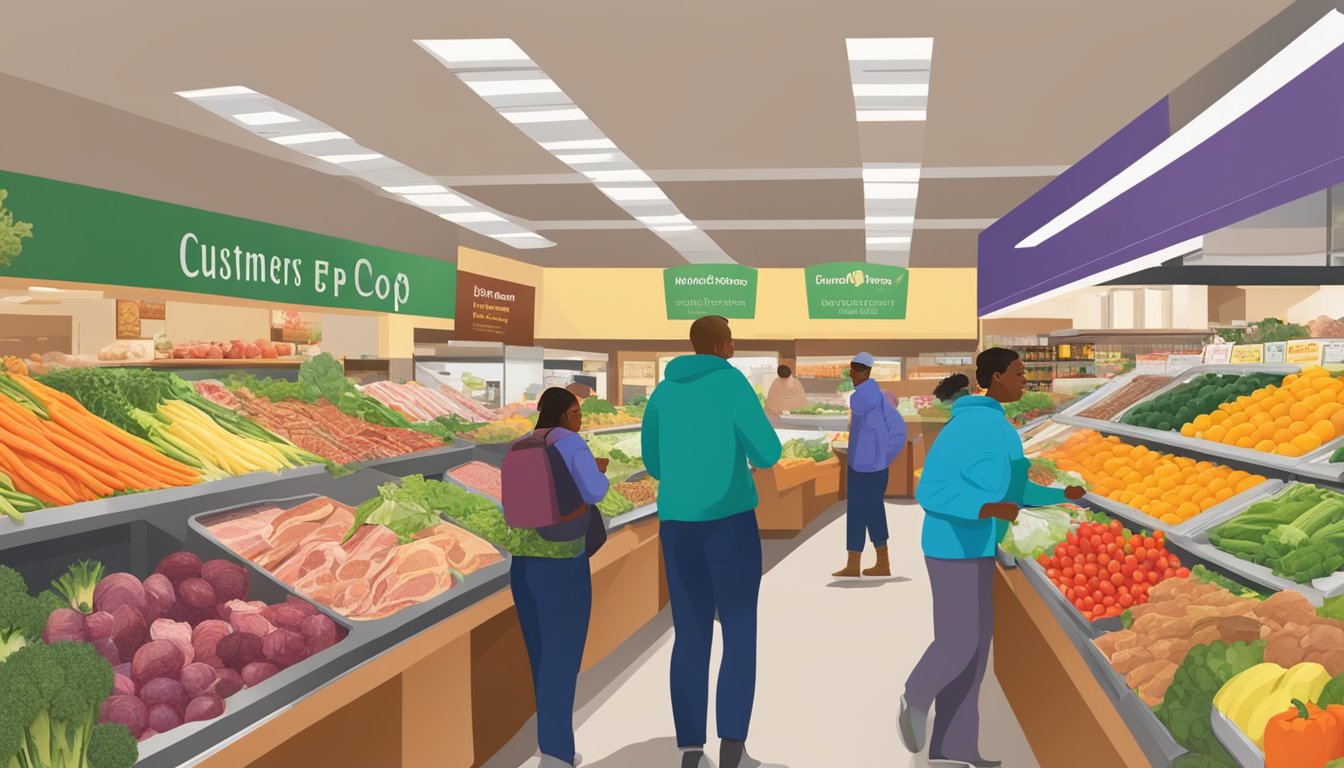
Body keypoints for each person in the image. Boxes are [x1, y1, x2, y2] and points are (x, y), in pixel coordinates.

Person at [898, 349, 1085, 768]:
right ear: (995, 377)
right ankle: (915, 693)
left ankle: (953, 747)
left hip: (982, 547)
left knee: (977, 651)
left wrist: (1062, 496)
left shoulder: (1003, 429)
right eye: (1019, 374)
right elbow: (932, 491)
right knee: (958, 640)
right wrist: (986, 508)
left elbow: (1016, 492)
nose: (1025, 381)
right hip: (952, 547)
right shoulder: (966, 427)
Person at [642, 315, 785, 768]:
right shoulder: (732, 384)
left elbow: (653, 461)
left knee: (690, 634)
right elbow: (767, 452)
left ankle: (690, 751)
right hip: (729, 522)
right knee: (739, 632)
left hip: (676, 524)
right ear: (724, 345)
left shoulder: (663, 391)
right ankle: (733, 752)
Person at [508, 388, 610, 768]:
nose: (580, 418)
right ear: (568, 413)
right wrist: (597, 471)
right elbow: (594, 490)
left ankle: (549, 744)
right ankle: (556, 754)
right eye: (577, 412)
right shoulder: (570, 443)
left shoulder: (521, 444)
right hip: (563, 560)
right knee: (563, 658)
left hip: (523, 563)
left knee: (540, 656)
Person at [833, 352, 907, 578]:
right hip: (870, 467)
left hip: (864, 468)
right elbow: (896, 433)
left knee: (857, 513)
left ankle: (855, 564)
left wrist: (875, 460)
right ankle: (881, 563)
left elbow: (885, 436)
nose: (851, 375)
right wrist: (881, 461)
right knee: (874, 512)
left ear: (862, 371)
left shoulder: (867, 402)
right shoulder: (875, 400)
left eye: (853, 371)